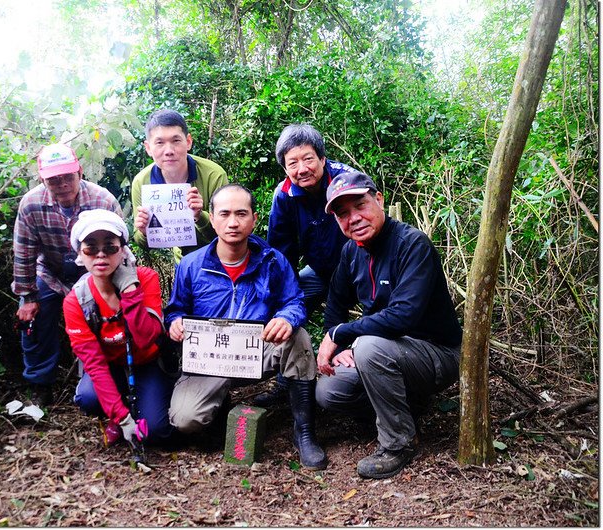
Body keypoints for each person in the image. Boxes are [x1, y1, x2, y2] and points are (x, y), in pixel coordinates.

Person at [164, 184, 327, 470]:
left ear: (254, 218)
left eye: (241, 214)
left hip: (255, 352)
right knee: (185, 420)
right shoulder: (191, 265)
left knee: (297, 337)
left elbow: (294, 302)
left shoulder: (272, 261)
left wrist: (286, 319)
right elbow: (176, 309)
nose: (233, 222)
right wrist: (175, 322)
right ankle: (221, 406)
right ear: (211, 218)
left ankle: (304, 432)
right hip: (209, 360)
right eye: (224, 214)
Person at [314, 171, 462, 479]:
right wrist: (338, 345)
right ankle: (404, 412)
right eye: (343, 214)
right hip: (387, 351)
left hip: (437, 353)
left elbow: (402, 316)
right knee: (328, 391)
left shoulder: (412, 244)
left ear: (378, 199)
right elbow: (336, 304)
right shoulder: (351, 251)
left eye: (360, 206)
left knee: (368, 348)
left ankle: (398, 443)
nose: (353, 218)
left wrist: (341, 334)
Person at [12, 142, 122, 406]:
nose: (61, 183)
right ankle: (40, 384)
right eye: (53, 179)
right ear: (42, 179)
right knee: (34, 319)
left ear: (80, 172)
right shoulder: (31, 204)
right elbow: (24, 250)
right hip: (51, 271)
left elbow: (122, 249)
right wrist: (27, 297)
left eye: (67, 176)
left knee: (110, 316)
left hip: (97, 272)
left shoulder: (102, 200)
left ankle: (108, 374)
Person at [256, 124, 357, 407]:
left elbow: (369, 231)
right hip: (320, 270)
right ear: (285, 168)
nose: (302, 168)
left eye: (308, 158)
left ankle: (358, 372)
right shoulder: (284, 195)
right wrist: (283, 299)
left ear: (323, 159)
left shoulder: (346, 180)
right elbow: (281, 251)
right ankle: (286, 380)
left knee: (367, 312)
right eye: (293, 163)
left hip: (357, 268)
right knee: (286, 306)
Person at [63, 209, 175, 447]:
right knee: (88, 397)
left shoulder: (145, 278)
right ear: (80, 254)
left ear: (123, 250)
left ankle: (146, 404)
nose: (100, 255)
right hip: (111, 367)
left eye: (110, 247)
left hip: (148, 363)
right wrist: (122, 418)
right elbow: (94, 363)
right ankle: (118, 413)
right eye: (91, 248)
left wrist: (130, 291)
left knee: (157, 434)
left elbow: (147, 338)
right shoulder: (75, 301)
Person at [131, 109, 229, 261]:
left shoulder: (214, 175)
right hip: (182, 262)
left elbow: (227, 232)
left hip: (219, 257)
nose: (169, 151)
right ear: (148, 148)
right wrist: (144, 231)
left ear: (188, 142)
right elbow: (141, 242)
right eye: (159, 143)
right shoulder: (141, 182)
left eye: (176, 141)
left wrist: (199, 215)